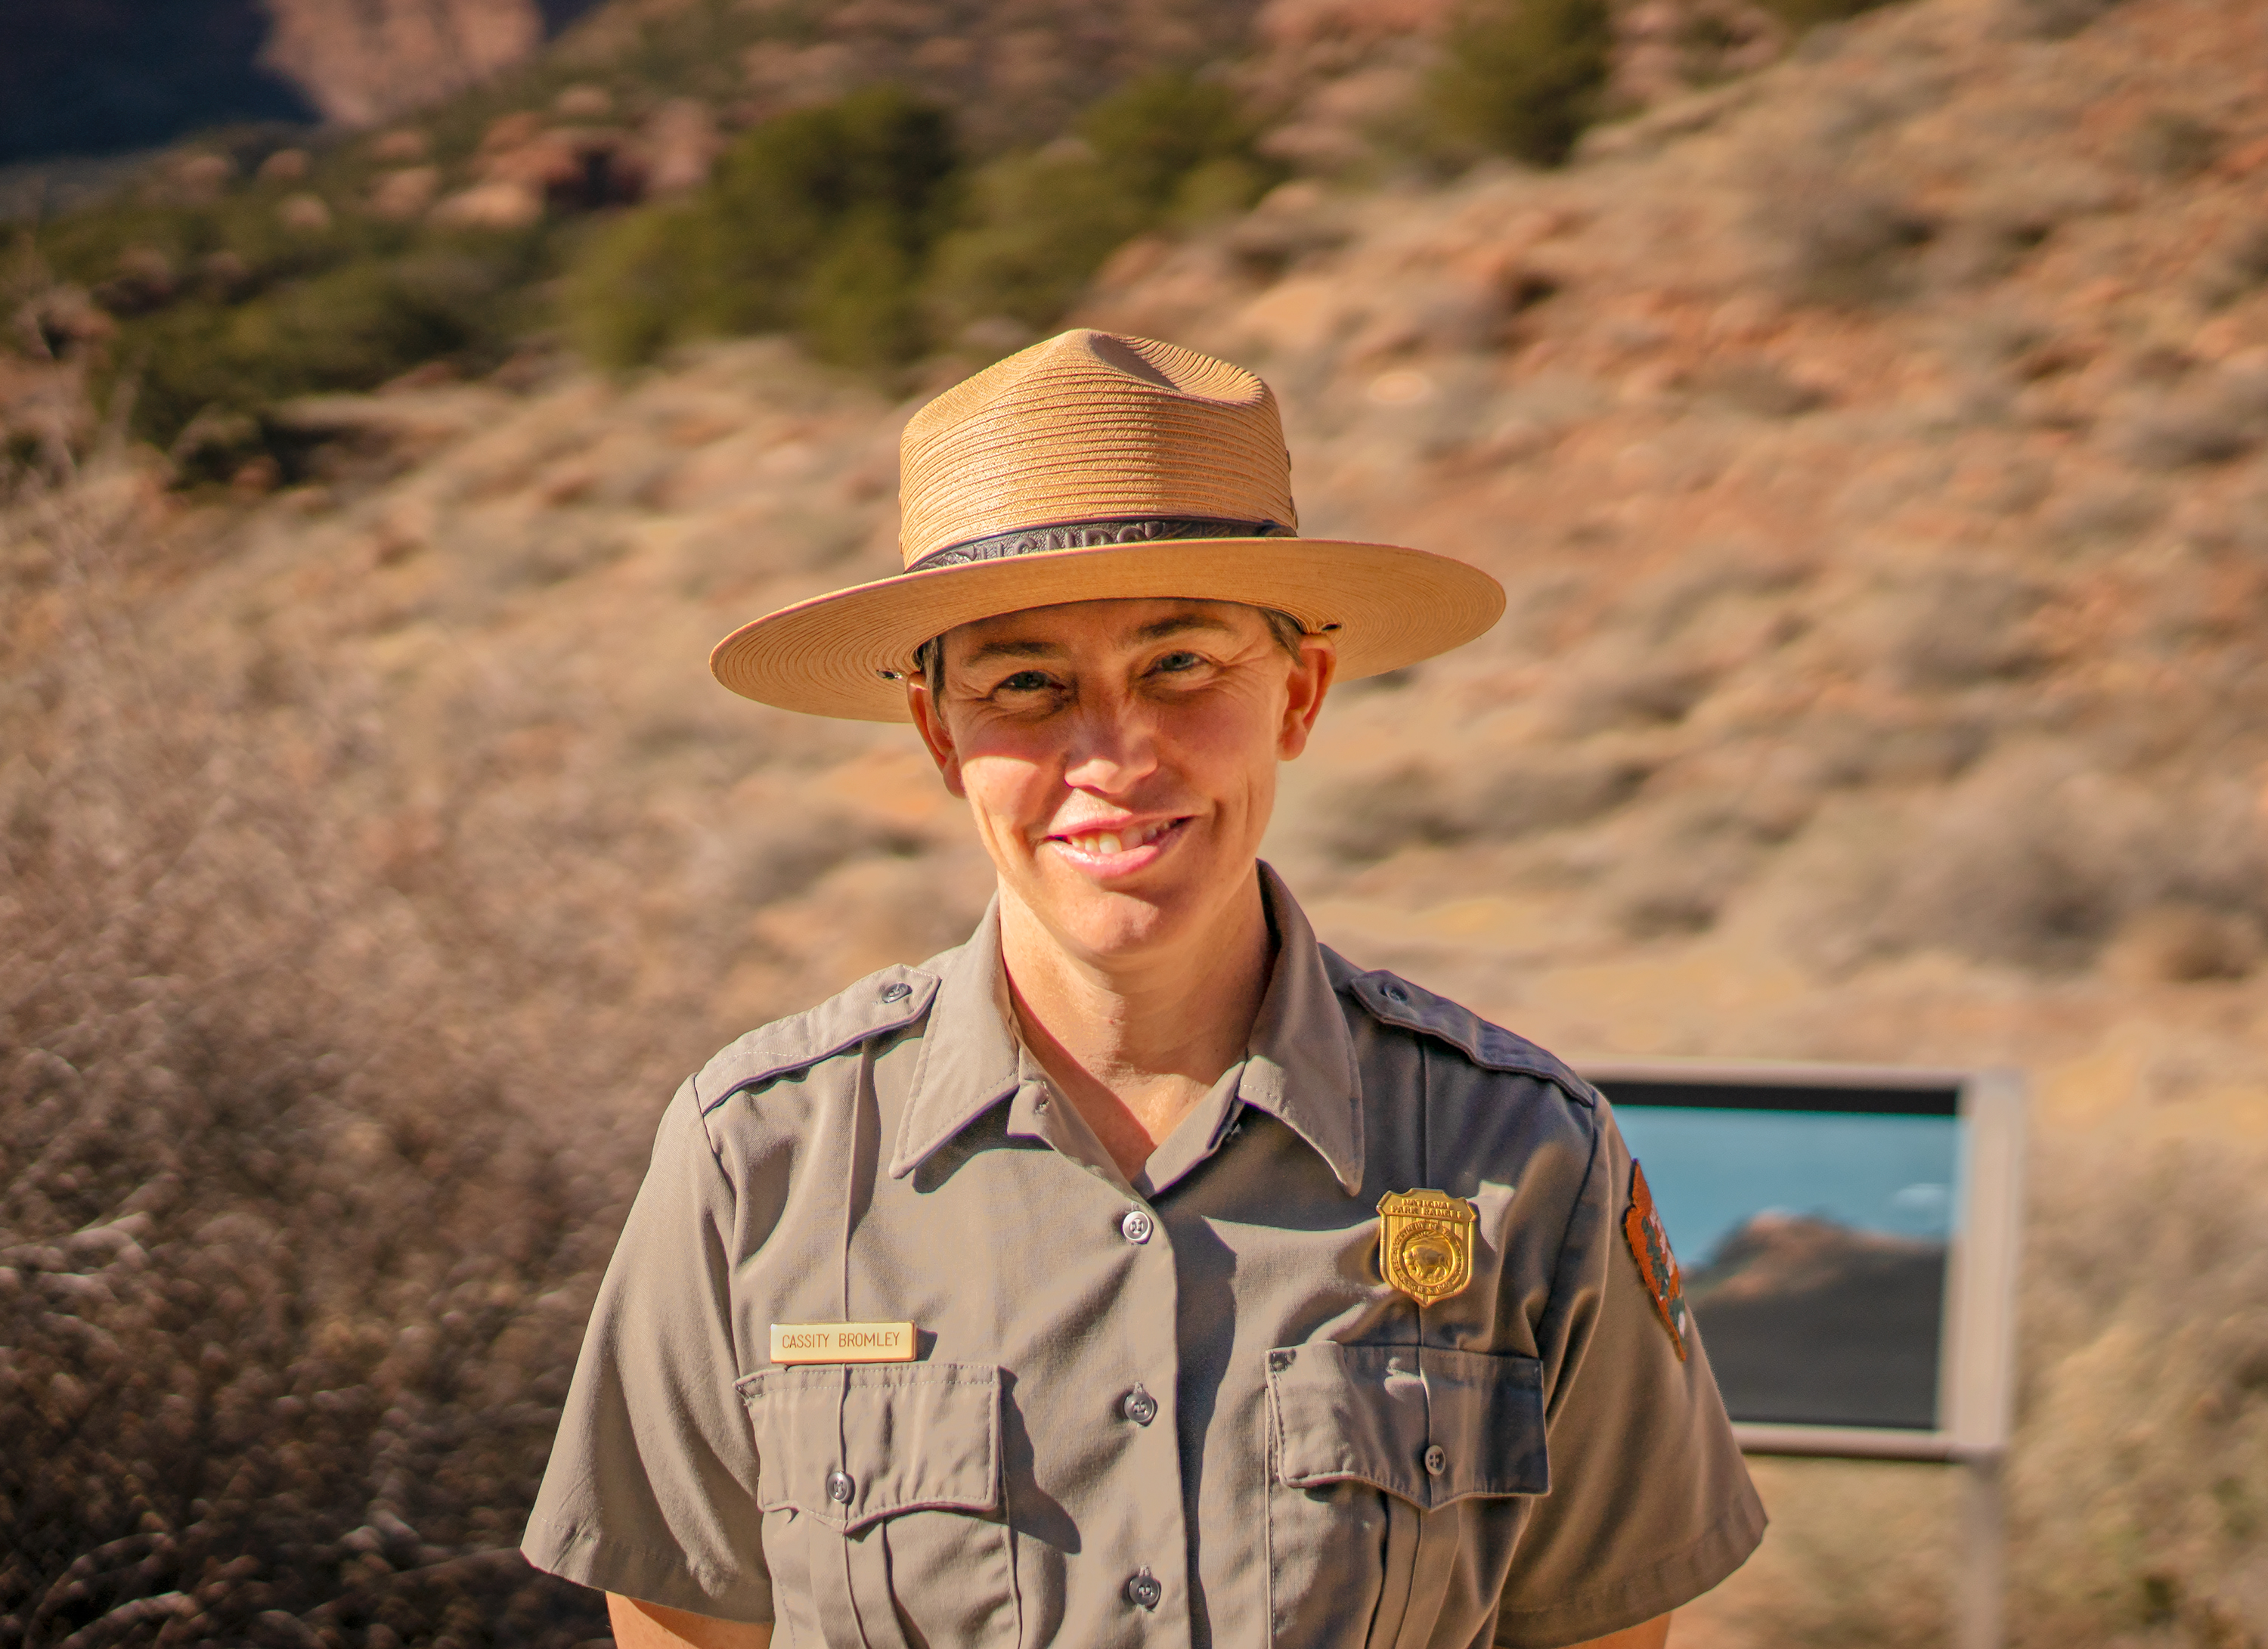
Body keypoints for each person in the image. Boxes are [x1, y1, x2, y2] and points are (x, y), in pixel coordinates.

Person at [522, 330, 1765, 1649]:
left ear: (1301, 692)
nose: (1113, 753)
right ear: (942, 734)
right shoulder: (758, 1157)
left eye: (1181, 665)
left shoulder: (1520, 1156)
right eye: (1026, 685)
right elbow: (682, 1623)